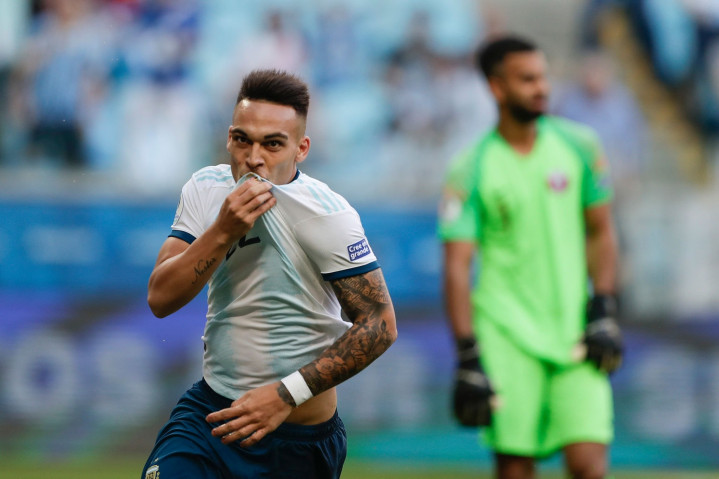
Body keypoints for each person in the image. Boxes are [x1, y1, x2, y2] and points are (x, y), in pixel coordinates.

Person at [142, 69, 397, 479]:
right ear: (229, 137)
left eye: (273, 144)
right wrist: (223, 230)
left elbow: (379, 324)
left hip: (297, 435)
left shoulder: (327, 213)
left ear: (301, 148)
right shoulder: (205, 189)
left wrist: (285, 395)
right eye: (243, 139)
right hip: (213, 415)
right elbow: (160, 298)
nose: (254, 158)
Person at [439, 36, 623, 479]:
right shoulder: (470, 166)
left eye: (543, 77)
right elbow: (457, 266)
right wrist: (467, 354)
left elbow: (601, 231)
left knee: (589, 464)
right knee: (515, 467)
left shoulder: (581, 145)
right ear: (496, 87)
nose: (542, 87)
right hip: (507, 335)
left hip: (575, 331)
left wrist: (604, 307)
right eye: (527, 79)